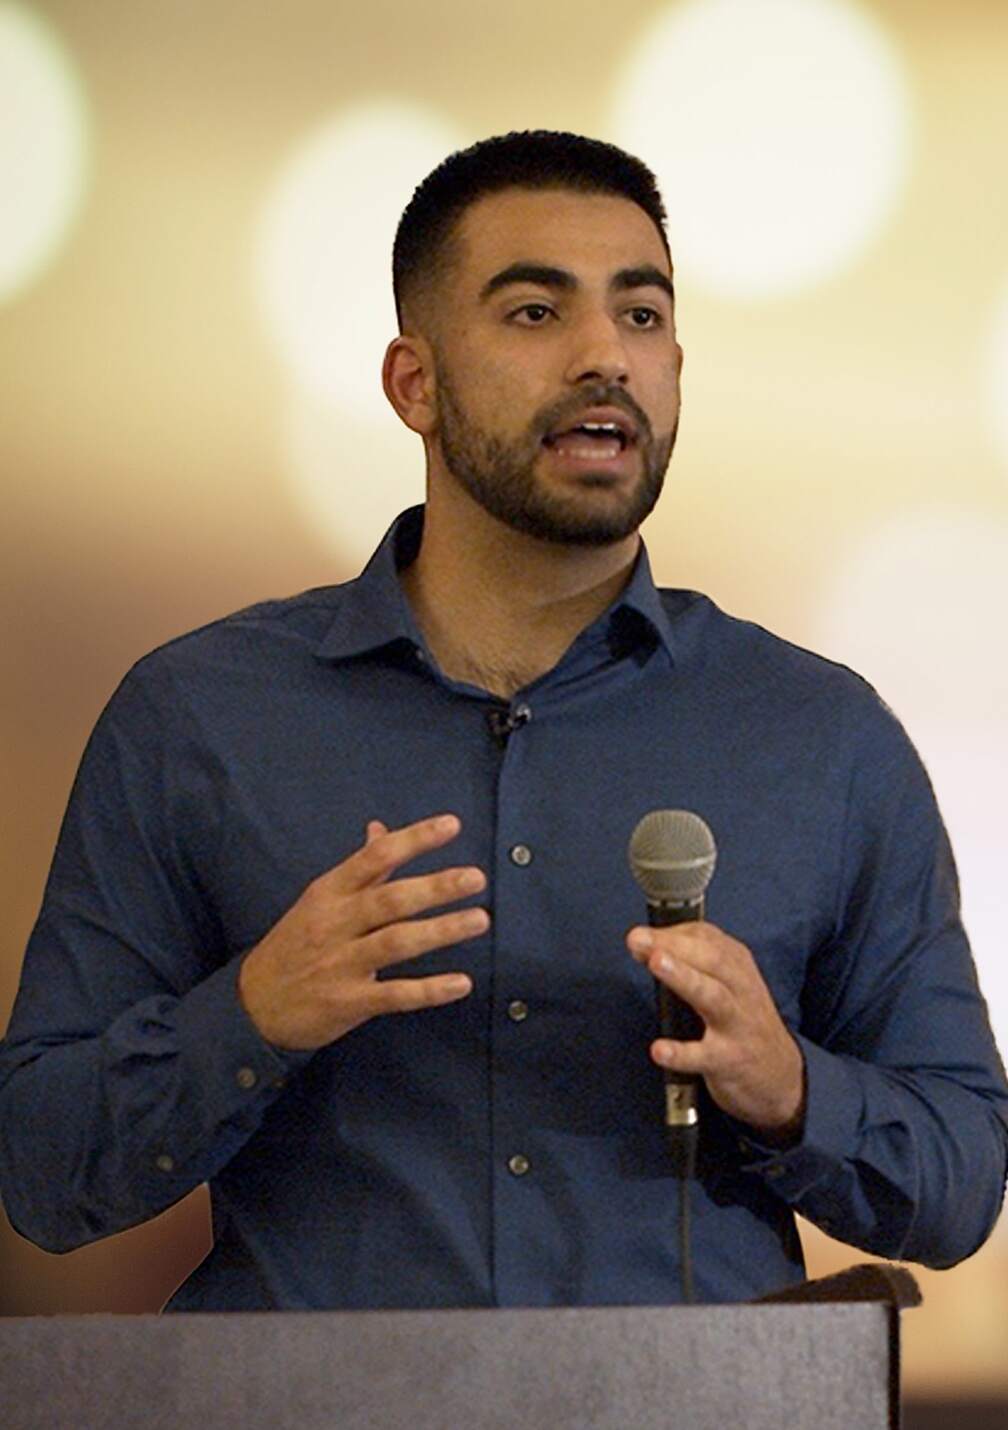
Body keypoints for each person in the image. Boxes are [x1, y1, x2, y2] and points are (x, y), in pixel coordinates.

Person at [1, 131, 1005, 1311]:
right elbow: (41, 1167)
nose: (604, 359)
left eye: (641, 317)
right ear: (412, 381)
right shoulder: (197, 717)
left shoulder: (821, 736)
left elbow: (960, 1181)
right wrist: (255, 1011)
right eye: (536, 313)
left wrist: (789, 1085)